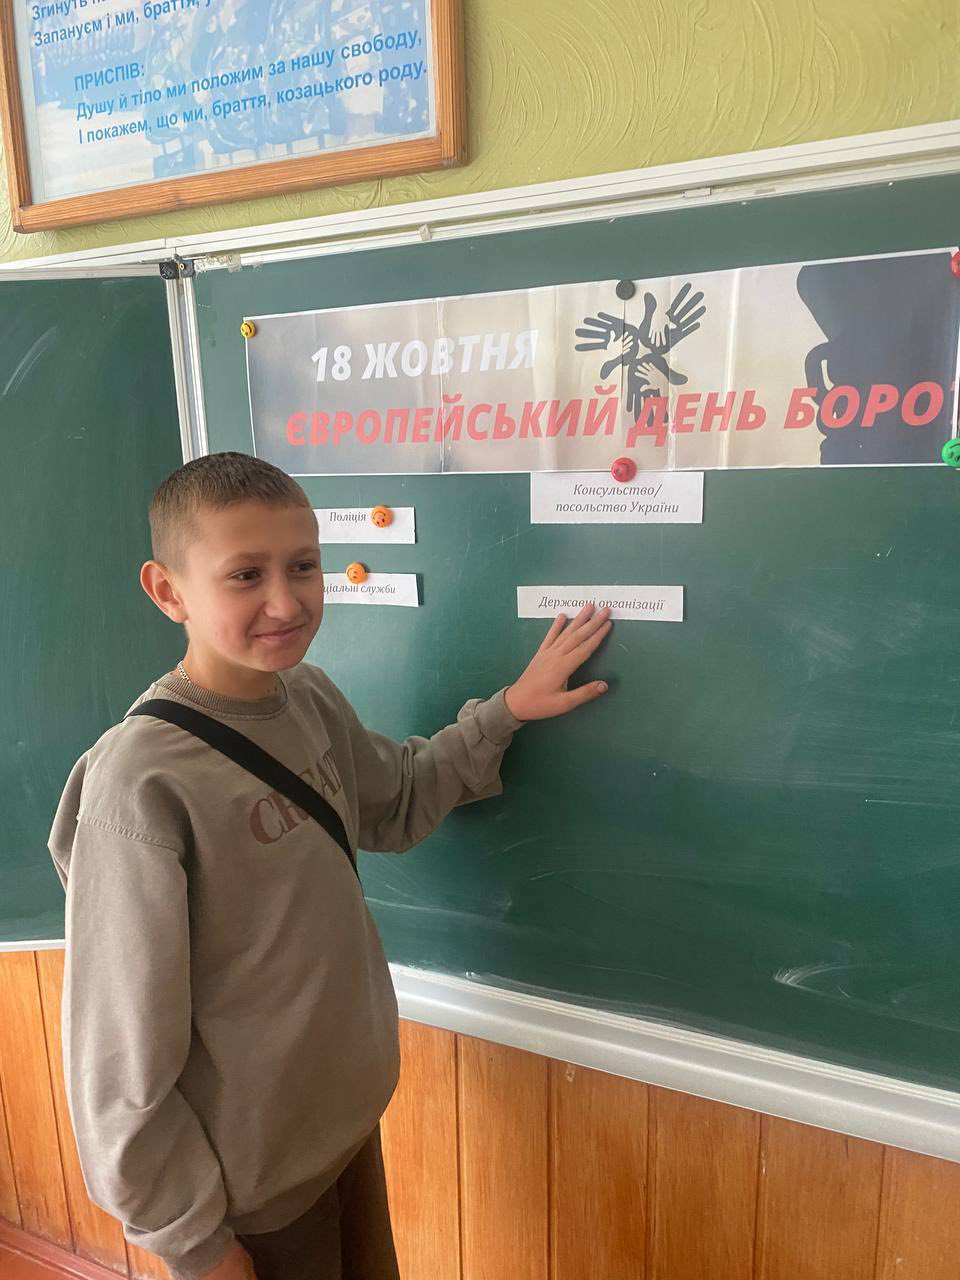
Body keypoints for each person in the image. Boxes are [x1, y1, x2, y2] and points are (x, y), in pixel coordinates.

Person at [48, 451, 611, 1280]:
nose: (286, 601)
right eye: (246, 575)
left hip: (337, 1132)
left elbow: (396, 798)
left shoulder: (306, 696)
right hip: (249, 1188)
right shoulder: (140, 785)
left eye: (303, 566)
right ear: (169, 591)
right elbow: (117, 1055)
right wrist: (195, 1245)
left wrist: (508, 711)